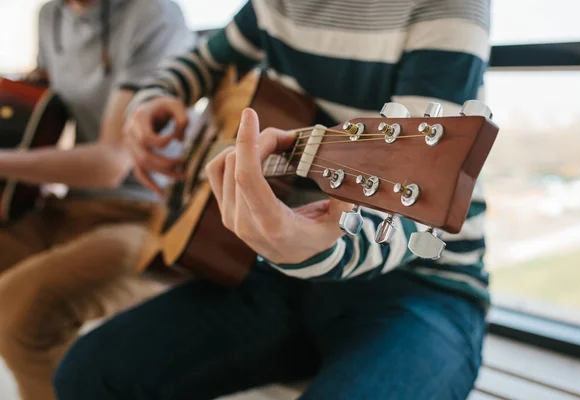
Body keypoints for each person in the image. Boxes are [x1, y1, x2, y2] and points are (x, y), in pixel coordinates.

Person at [55, 0, 491, 399]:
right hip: (274, 273)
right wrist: (153, 103)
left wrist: (306, 250)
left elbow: (414, 195)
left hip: (422, 285)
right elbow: (202, 60)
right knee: (86, 375)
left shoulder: (446, 6)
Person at [0, 1, 193, 399]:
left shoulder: (153, 16)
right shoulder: (52, 16)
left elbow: (112, 164)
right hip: (68, 208)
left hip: (151, 216)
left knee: (19, 317)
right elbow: (43, 109)